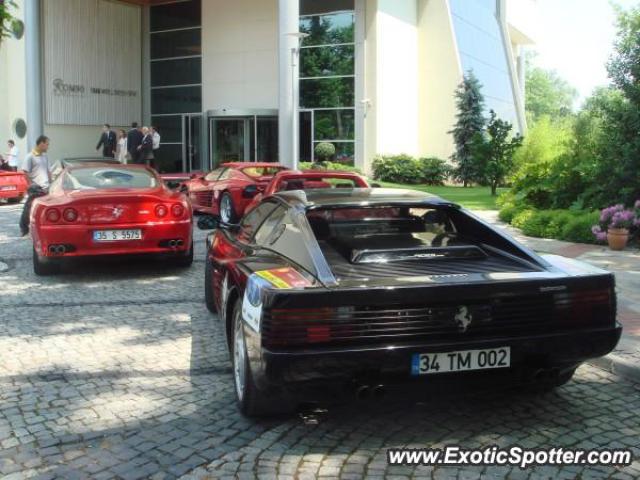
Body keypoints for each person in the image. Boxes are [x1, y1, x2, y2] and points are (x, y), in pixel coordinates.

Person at [20, 135, 51, 236]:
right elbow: (25, 172)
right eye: (47, 144)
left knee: (45, 210)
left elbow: (48, 171)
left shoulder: (45, 156)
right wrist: (31, 185)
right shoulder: (30, 156)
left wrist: (51, 183)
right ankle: (24, 227)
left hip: (46, 188)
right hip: (35, 188)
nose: (48, 146)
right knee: (29, 208)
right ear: (41, 144)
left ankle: (43, 229)